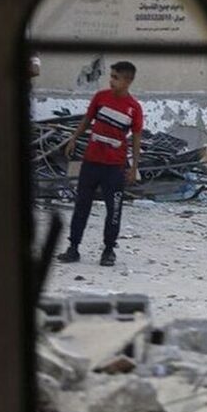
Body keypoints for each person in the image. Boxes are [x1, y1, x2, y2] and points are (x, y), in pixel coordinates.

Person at [56, 61, 143, 267]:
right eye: (111, 76)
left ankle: (109, 250)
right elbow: (87, 120)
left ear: (128, 81)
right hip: (91, 163)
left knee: (114, 210)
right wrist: (74, 138)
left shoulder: (134, 108)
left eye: (116, 77)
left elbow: (136, 138)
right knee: (81, 206)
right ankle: (73, 247)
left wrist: (133, 167)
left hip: (115, 167)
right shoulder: (100, 97)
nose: (111, 81)